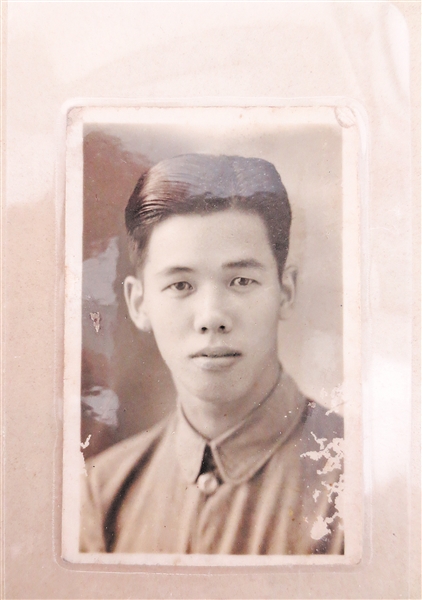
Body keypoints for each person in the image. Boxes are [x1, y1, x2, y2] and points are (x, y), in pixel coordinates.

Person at [80, 154, 344, 555]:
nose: (211, 317)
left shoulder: (354, 477)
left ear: (285, 291)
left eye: (241, 280)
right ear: (138, 303)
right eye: (181, 285)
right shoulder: (103, 492)